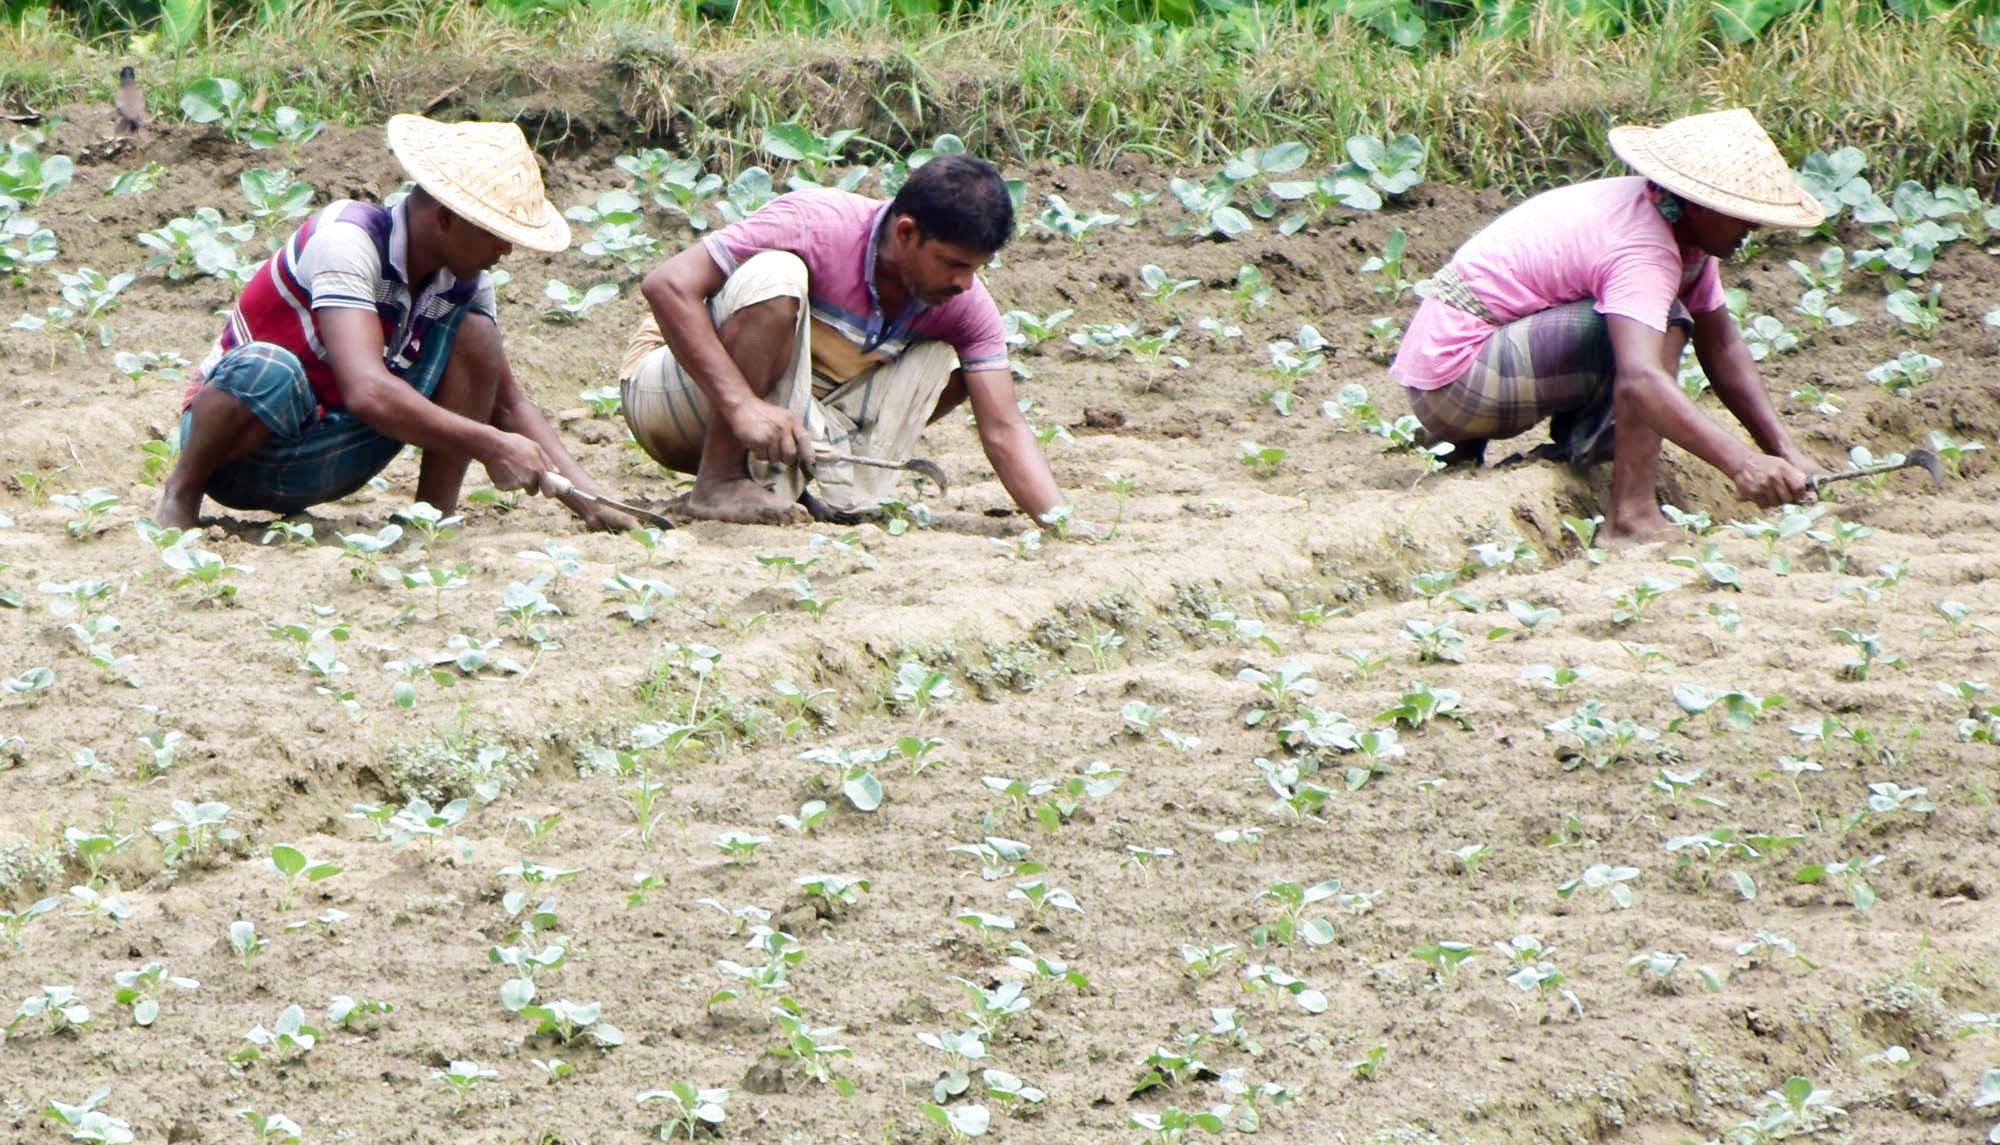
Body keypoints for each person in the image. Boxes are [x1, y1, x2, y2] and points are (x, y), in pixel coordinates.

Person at [154, 114, 634, 532]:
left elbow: (506, 406)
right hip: (239, 451)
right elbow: (366, 389)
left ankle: (433, 517)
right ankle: (181, 493)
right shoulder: (348, 238)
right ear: (446, 220)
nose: (506, 249)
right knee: (269, 369)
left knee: (476, 335)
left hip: (335, 449)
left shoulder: (462, 279)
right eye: (497, 233)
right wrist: (491, 447)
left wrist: (585, 495)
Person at [1389, 107, 1825, 544]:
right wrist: (1741, 463)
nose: (1753, 225)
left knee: (1645, 321)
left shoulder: (1678, 229)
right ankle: (1630, 517)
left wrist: (1783, 451)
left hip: (1454, 371)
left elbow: (1722, 346)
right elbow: (1639, 380)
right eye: (1740, 212)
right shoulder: (1643, 247)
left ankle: (1490, 445)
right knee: (1663, 323)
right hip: (1458, 380)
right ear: (1698, 203)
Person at [619, 153, 1065, 525]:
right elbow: (667, 284)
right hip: (671, 396)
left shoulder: (962, 299)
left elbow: (1004, 427)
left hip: (784, 429)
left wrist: (1061, 524)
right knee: (777, 276)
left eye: (975, 267)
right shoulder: (816, 224)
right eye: (951, 263)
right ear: (906, 232)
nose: (964, 284)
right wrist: (741, 404)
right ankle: (718, 481)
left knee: (958, 363)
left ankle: (815, 488)